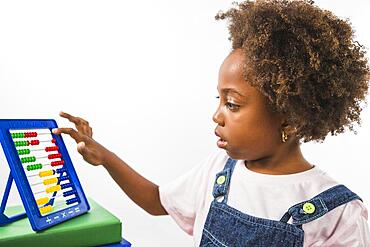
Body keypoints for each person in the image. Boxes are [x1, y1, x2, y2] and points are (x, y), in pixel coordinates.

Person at [52, 0, 370, 246]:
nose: (217, 115)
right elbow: (156, 201)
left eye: (232, 104)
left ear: (291, 117)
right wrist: (104, 156)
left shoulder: (338, 212)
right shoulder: (220, 170)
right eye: (218, 100)